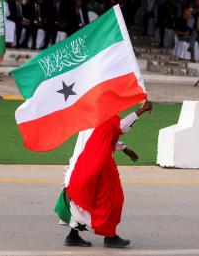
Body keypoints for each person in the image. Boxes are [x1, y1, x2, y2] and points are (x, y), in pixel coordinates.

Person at [55, 101, 153, 248]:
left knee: (85, 199)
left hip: (82, 166)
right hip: (98, 167)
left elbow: (105, 135)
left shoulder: (91, 117)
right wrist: (141, 110)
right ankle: (109, 236)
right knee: (112, 199)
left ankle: (74, 236)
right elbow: (121, 127)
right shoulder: (106, 116)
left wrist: (124, 148)